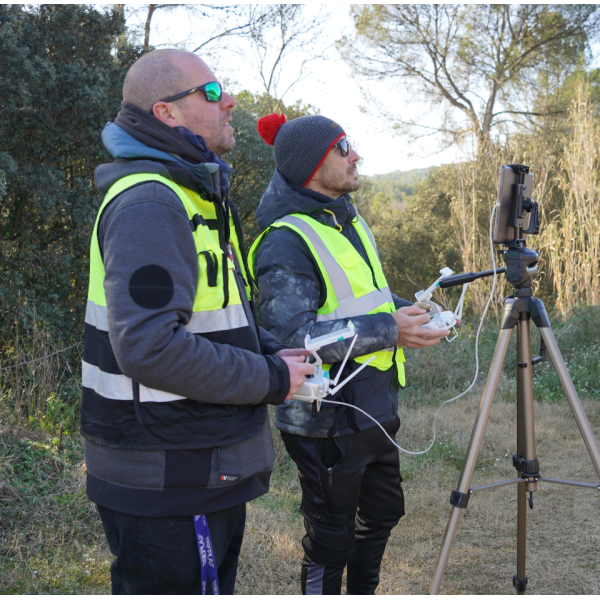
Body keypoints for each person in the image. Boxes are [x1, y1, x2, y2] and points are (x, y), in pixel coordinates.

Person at [80, 49, 313, 595]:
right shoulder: (152, 203)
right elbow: (151, 347)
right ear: (167, 114)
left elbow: (209, 324)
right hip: (171, 475)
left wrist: (272, 357)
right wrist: (272, 378)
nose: (229, 100)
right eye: (211, 93)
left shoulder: (189, 192)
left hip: (191, 463)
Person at [249, 113, 449, 595]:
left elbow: (368, 299)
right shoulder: (285, 241)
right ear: (313, 166)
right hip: (326, 420)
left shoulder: (345, 220)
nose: (355, 154)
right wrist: (389, 330)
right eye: (343, 148)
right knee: (330, 540)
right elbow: (291, 339)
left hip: (375, 407)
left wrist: (413, 313)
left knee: (383, 513)